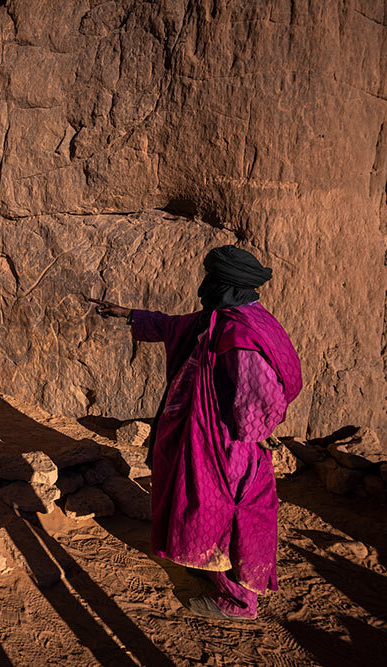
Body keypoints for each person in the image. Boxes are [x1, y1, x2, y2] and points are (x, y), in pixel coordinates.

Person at [91, 245, 302, 620]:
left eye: (211, 281)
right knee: (200, 505)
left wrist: (244, 437)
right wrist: (129, 315)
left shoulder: (239, 333)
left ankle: (237, 602)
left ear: (230, 286)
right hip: (204, 436)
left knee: (223, 511)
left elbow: (262, 398)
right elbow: (175, 326)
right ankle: (208, 566)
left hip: (225, 446)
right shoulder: (228, 318)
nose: (203, 289)